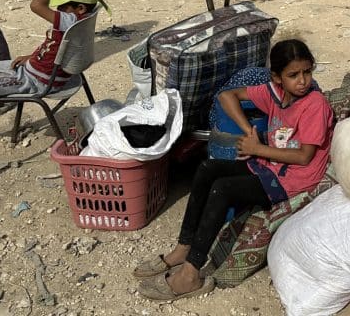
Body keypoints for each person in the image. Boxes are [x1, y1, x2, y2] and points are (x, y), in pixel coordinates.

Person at [133, 40, 333, 301]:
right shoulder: (276, 94)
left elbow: (305, 157)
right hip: (269, 166)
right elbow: (226, 96)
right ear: (278, 78)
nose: (303, 80)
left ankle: (191, 274)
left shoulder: (314, 104)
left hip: (293, 179)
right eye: (293, 75)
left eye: (307, 72)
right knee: (207, 168)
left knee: (223, 189)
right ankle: (183, 248)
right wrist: (250, 132)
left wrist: (258, 149)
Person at [0, 0, 106, 127]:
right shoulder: (82, 18)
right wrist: (31, 57)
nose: (58, 9)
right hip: (43, 69)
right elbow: (54, 49)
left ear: (80, 8)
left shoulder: (70, 20)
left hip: (40, 81)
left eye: (62, 6)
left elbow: (36, 5)